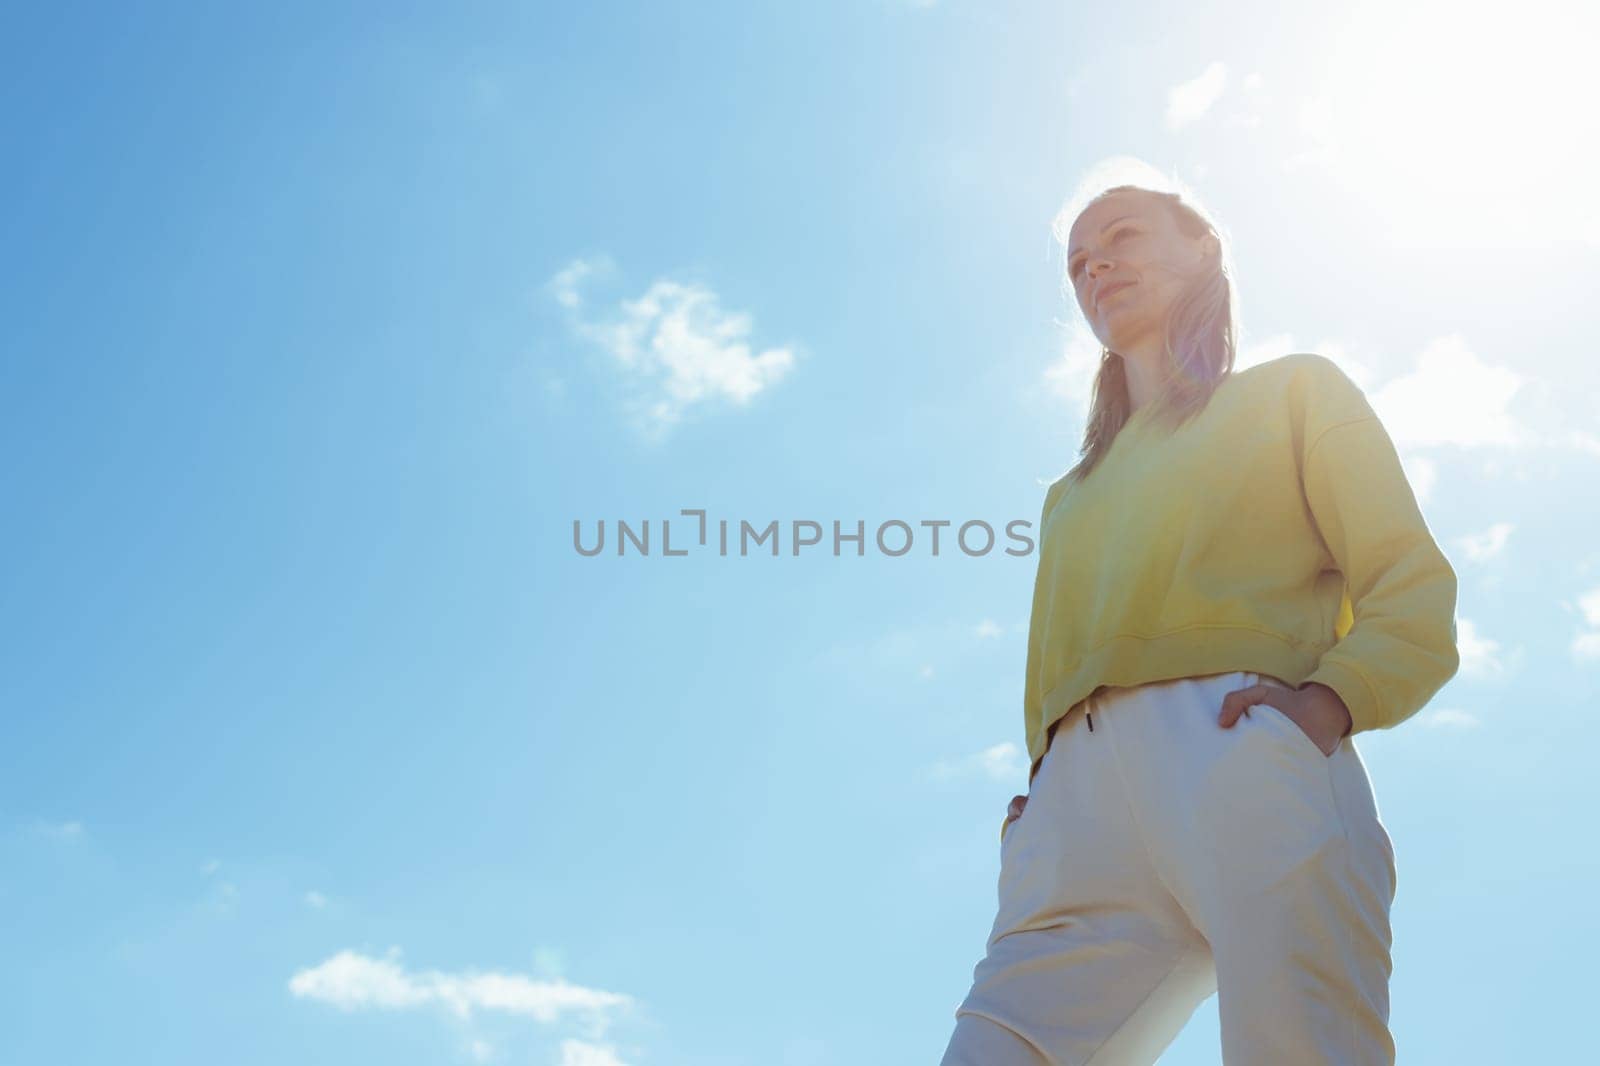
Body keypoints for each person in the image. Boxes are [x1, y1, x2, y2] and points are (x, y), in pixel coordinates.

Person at [938, 173, 1460, 1065]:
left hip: (1241, 748)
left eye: (1125, 237)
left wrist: (1324, 710)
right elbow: (1051, 666)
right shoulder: (1070, 496)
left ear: (1203, 250)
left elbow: (1409, 586)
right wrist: (1037, 804)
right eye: (1078, 264)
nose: (1097, 265)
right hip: (1071, 813)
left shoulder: (1296, 393)